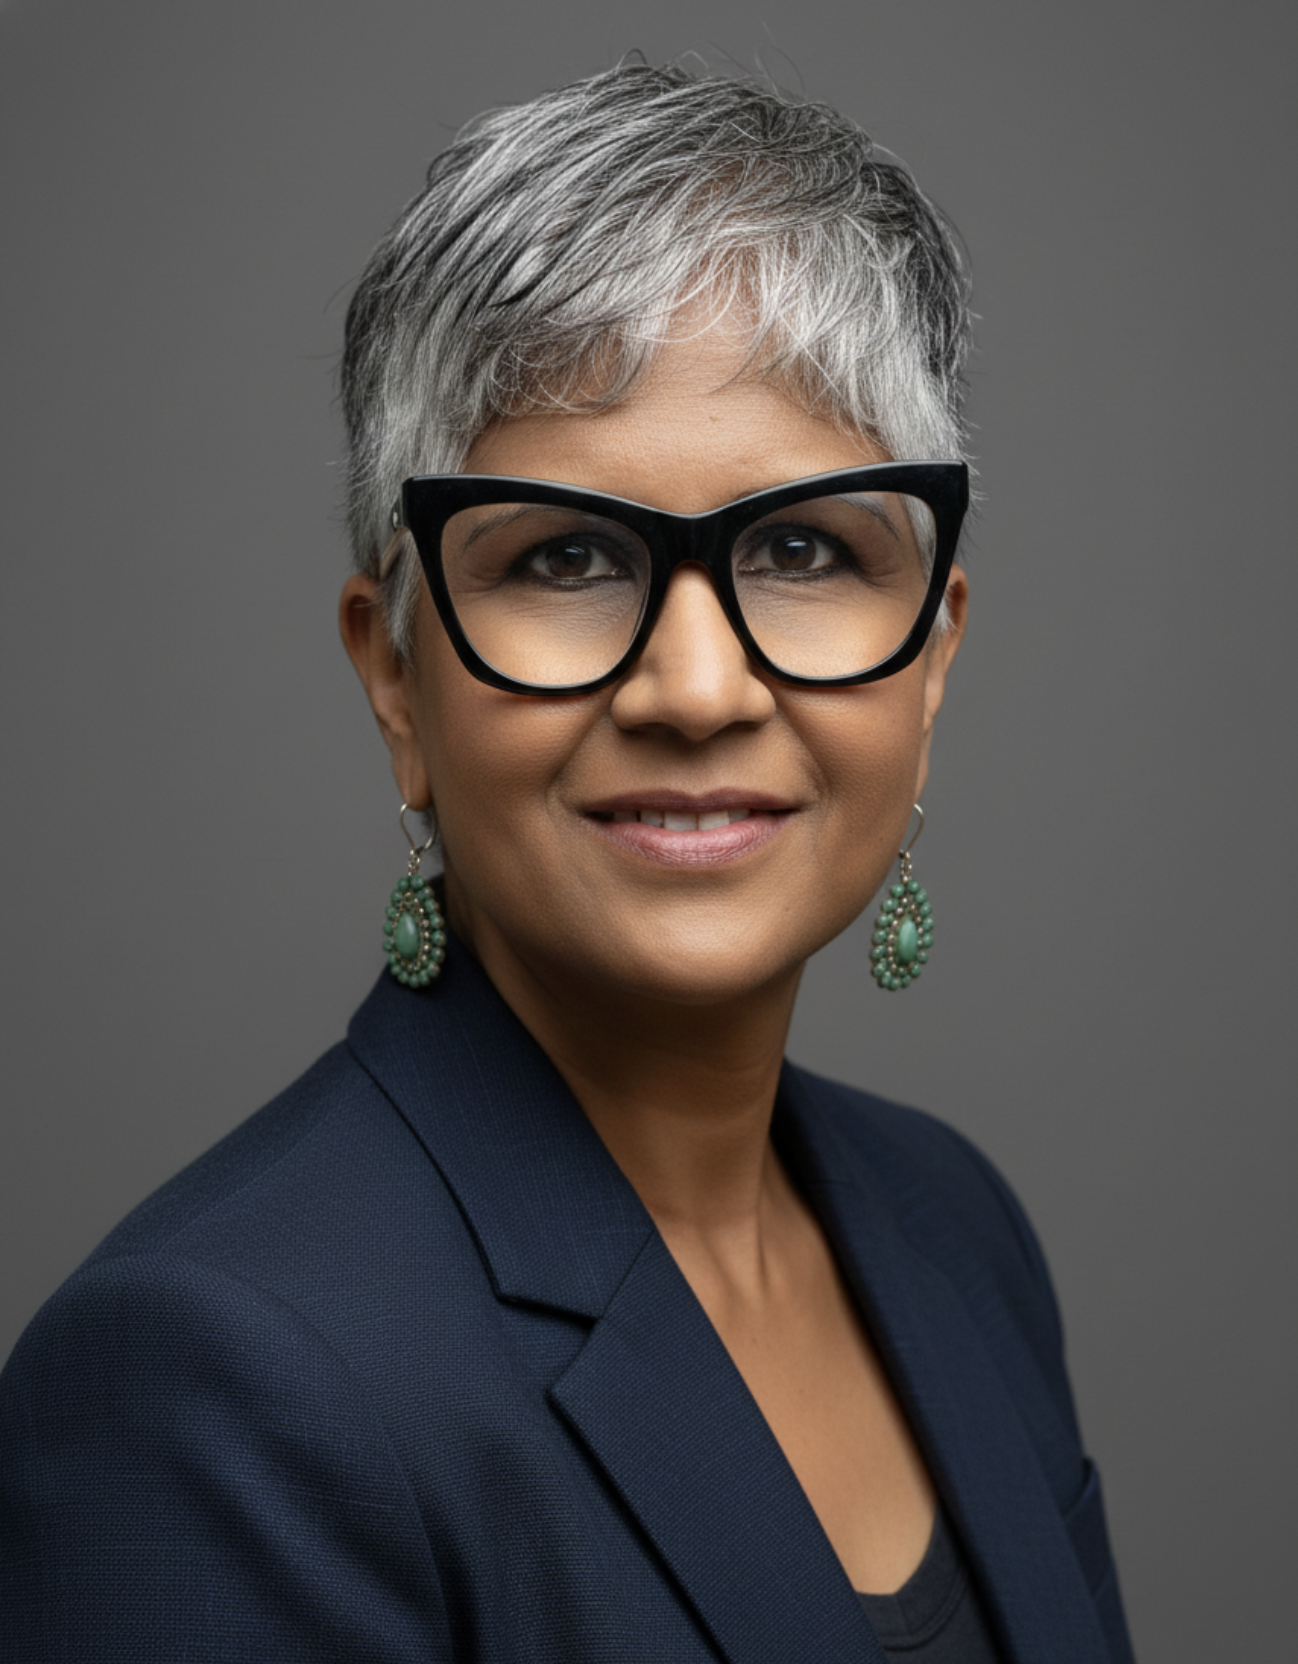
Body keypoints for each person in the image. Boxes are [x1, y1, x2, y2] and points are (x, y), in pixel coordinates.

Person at [0, 62, 1136, 1663]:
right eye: (565, 557)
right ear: (396, 678)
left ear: (931, 661)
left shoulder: (955, 1228)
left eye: (802, 548)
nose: (695, 688)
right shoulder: (213, 1381)